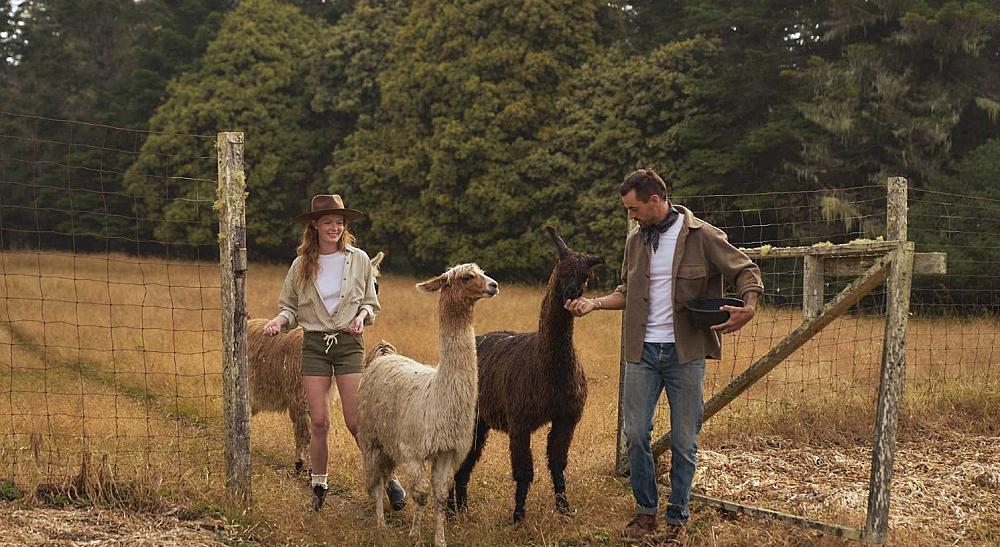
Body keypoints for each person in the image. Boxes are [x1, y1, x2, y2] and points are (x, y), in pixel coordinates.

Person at [565, 169, 763, 542]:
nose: (630, 216)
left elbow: (746, 271)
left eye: (634, 208)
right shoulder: (635, 240)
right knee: (635, 434)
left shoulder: (702, 236)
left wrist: (749, 307)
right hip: (641, 352)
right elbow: (626, 291)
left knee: (685, 441)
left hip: (685, 354)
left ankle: (677, 516)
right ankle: (645, 514)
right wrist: (594, 303)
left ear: (654, 200)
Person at [262, 194, 406, 512]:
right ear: (314, 225)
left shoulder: (359, 260)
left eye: (339, 222)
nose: (335, 227)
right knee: (319, 422)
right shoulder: (300, 265)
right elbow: (289, 308)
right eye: (328, 222)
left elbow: (370, 302)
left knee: (356, 421)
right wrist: (278, 321)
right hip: (314, 345)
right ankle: (319, 485)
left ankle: (389, 479)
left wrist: (362, 316)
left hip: (348, 344)